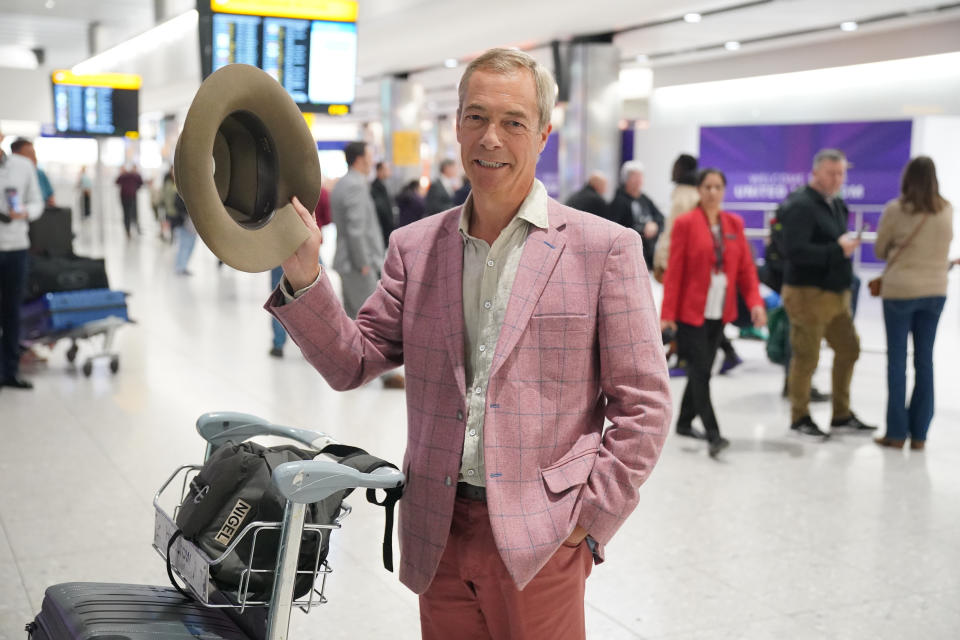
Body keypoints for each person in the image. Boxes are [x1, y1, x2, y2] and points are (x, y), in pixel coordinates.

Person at [266, 47, 670, 639]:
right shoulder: (416, 247)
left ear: (542, 135)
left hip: (544, 538)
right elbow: (351, 362)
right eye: (476, 118)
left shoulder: (602, 249)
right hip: (440, 531)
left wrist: (587, 525)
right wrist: (306, 275)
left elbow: (644, 405)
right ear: (456, 126)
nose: (491, 139)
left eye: (514, 122)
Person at [660, 169, 766, 457]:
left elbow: (745, 269)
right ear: (699, 190)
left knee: (701, 369)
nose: (712, 192)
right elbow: (674, 273)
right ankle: (713, 434)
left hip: (719, 310)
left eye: (718, 187)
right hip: (689, 312)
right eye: (707, 187)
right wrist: (667, 313)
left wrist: (755, 303)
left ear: (724, 190)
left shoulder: (734, 224)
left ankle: (683, 422)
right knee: (701, 372)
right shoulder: (685, 224)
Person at [779, 149, 875, 438]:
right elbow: (793, 251)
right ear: (816, 172)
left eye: (841, 173)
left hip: (835, 293)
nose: (837, 179)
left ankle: (841, 414)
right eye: (832, 173)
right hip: (808, 293)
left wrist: (840, 248)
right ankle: (800, 416)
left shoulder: (836, 204)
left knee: (849, 349)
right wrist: (838, 249)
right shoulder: (800, 205)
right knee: (807, 357)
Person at [873, 157, 953, 450]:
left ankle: (896, 432)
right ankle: (919, 434)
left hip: (900, 292)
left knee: (897, 362)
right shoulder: (946, 209)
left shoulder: (895, 210)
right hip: (935, 291)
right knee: (924, 361)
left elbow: (881, 250)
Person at [329, 141, 404, 389]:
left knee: (353, 318)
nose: (373, 160)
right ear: (360, 159)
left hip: (348, 261)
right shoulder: (355, 186)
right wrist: (363, 262)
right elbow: (356, 228)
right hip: (357, 263)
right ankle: (385, 375)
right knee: (374, 320)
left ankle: (352, 368)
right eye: (370, 154)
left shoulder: (344, 184)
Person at [0, 128, 44, 390]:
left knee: (12, 311)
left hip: (16, 247)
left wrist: (24, 212)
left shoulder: (23, 166)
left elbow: (37, 202)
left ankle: (10, 371)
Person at [607, 160, 664, 269]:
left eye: (640, 176)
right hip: (629, 257)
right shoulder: (619, 201)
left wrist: (654, 225)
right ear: (626, 179)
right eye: (635, 177)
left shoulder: (644, 199)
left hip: (648, 255)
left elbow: (660, 218)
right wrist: (642, 229)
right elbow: (615, 229)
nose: (639, 180)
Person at [11, 138, 54, 207]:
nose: (34, 158)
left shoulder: (40, 173)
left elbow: (51, 198)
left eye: (34, 154)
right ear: (15, 155)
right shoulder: (8, 174)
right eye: (29, 154)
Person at [116, 164, 144, 238]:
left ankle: (128, 230)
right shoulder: (134, 176)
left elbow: (117, 181)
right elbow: (141, 182)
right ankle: (132, 229)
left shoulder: (124, 175)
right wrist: (135, 188)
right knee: (131, 213)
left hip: (126, 197)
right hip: (130, 197)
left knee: (127, 214)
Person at [370, 161, 395, 247]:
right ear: (379, 171)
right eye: (386, 169)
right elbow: (381, 210)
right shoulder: (375, 187)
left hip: (386, 232)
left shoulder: (383, 186)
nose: (389, 171)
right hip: (382, 232)